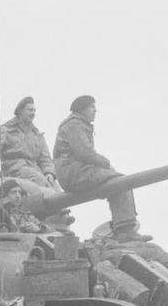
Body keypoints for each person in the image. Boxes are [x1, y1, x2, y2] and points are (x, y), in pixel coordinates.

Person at [53, 95, 150, 243]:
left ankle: (124, 228)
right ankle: (125, 229)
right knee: (122, 182)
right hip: (73, 173)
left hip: (76, 171)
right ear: (82, 109)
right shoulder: (74, 125)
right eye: (92, 107)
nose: (95, 110)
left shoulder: (79, 125)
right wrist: (107, 164)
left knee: (117, 182)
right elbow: (84, 153)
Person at [0, 96, 56, 188]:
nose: (33, 113)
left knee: (55, 188)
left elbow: (45, 159)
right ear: (20, 112)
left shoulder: (37, 135)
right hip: (14, 170)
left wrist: (49, 172)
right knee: (40, 180)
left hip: (35, 170)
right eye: (30, 110)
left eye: (34, 110)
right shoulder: (7, 130)